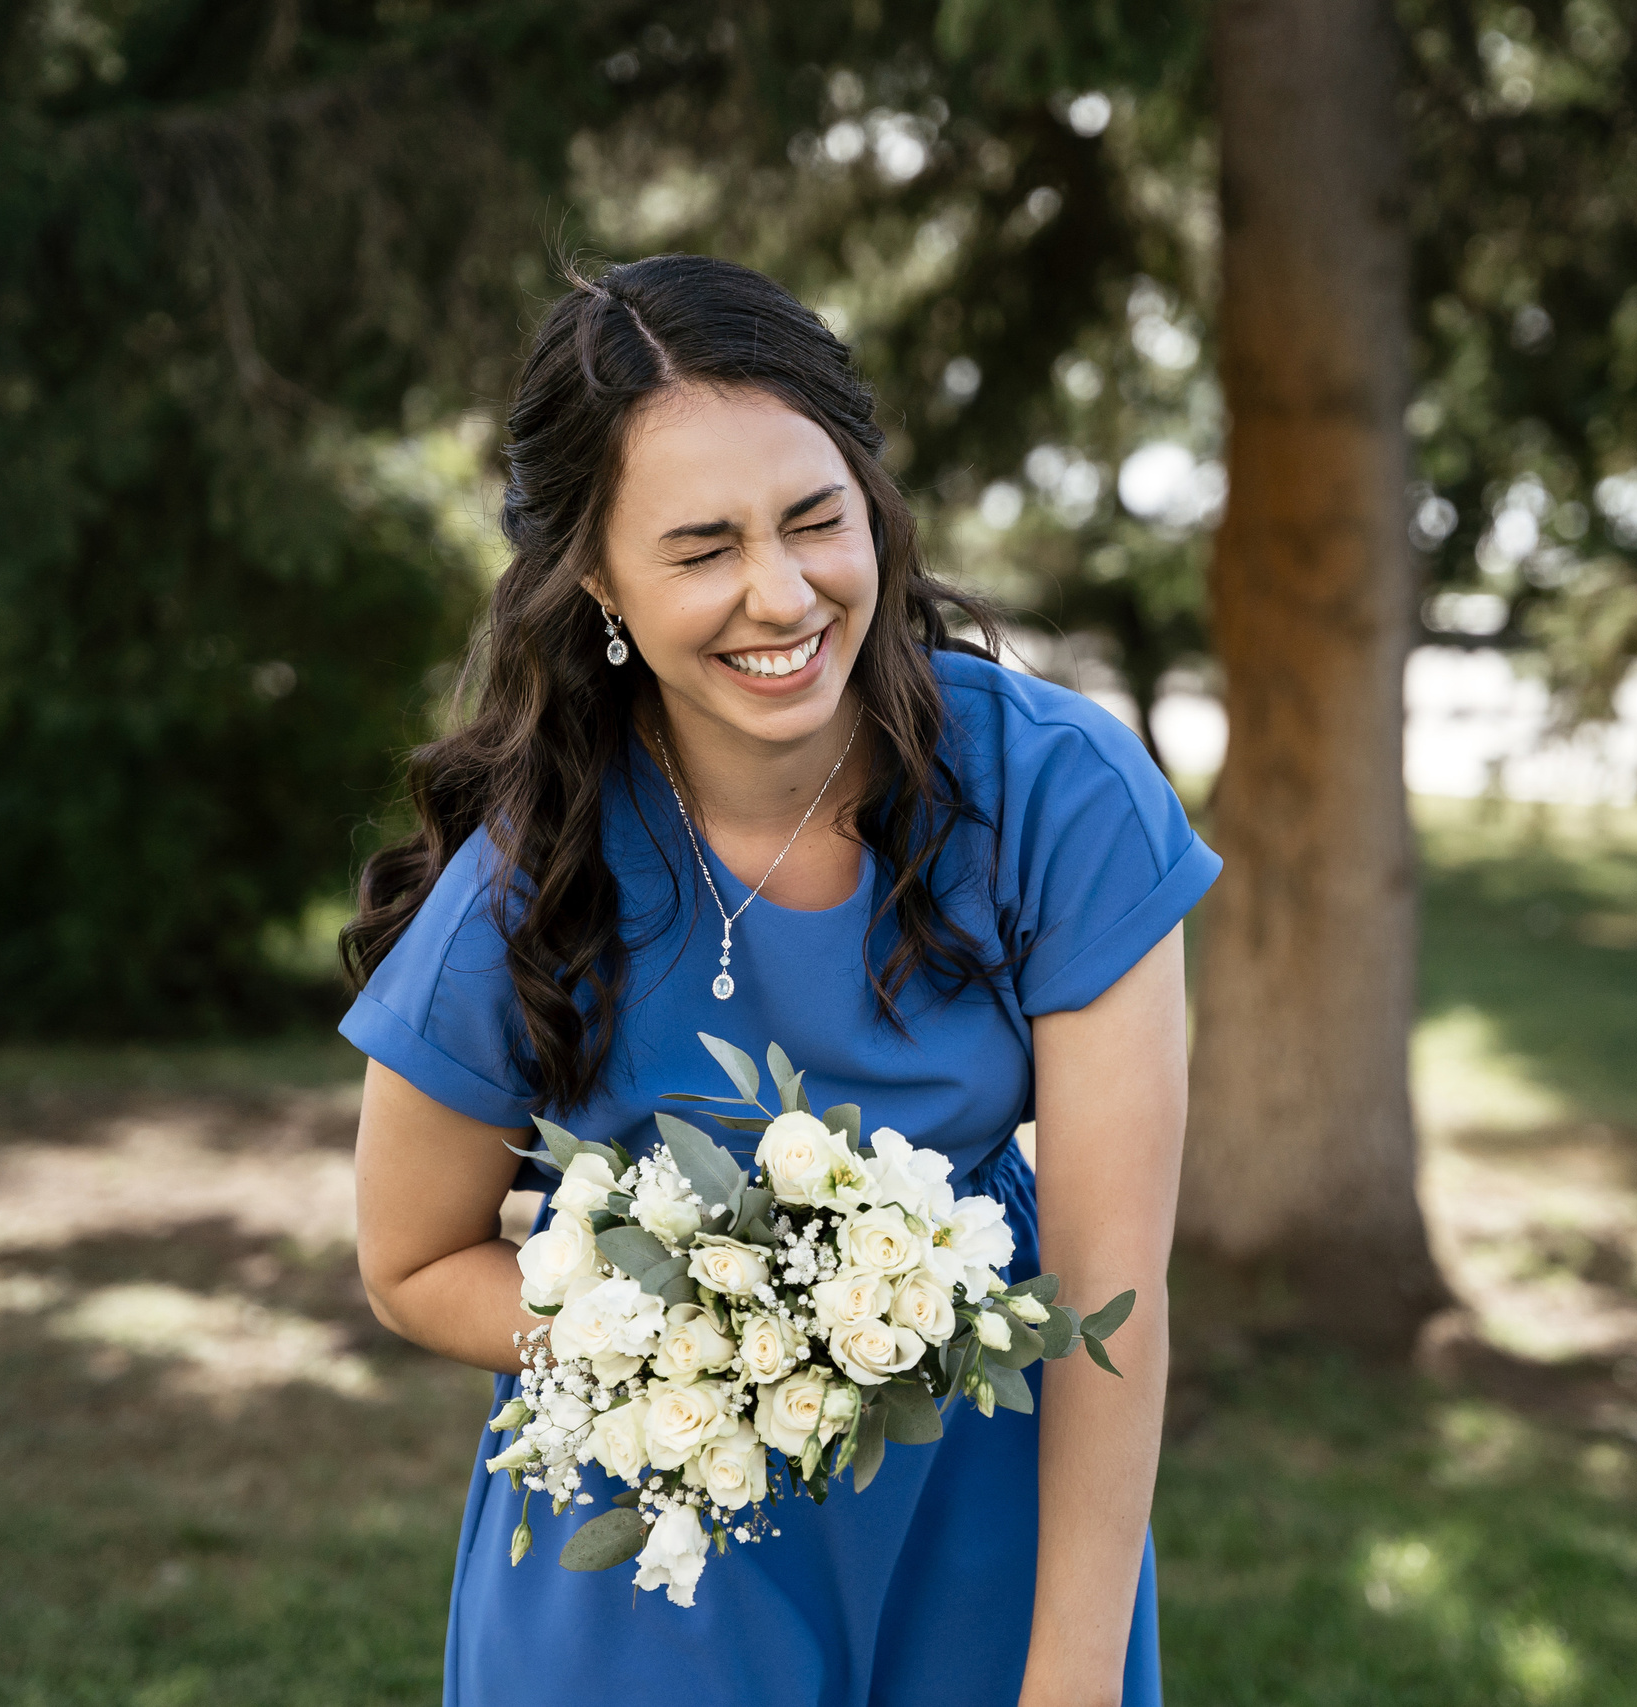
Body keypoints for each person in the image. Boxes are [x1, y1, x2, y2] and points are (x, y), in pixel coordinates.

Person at [337, 253, 1220, 1707]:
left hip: (980, 1531)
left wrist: (1068, 1676)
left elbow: (1113, 1287)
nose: (782, 591)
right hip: (650, 1569)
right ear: (598, 582)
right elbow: (412, 1262)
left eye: (817, 520)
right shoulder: (532, 867)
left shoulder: (1060, 794)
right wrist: (704, 1347)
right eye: (701, 550)